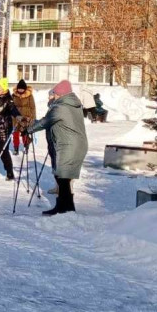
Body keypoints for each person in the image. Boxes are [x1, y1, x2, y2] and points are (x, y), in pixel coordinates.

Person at [26, 80, 88, 215]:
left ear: (60, 94)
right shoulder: (72, 104)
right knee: (63, 177)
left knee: (62, 177)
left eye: (55, 94)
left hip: (68, 145)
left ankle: (63, 207)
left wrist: (28, 129)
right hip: (73, 143)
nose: (53, 96)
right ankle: (67, 207)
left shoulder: (61, 107)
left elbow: (45, 122)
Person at [12, 79, 36, 156]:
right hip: (16, 118)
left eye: (22, 88)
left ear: (25, 88)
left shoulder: (29, 96)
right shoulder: (14, 95)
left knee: (24, 133)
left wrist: (33, 118)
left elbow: (33, 107)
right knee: (15, 134)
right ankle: (16, 148)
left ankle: (26, 146)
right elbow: (11, 107)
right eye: (19, 88)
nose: (20, 90)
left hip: (26, 118)